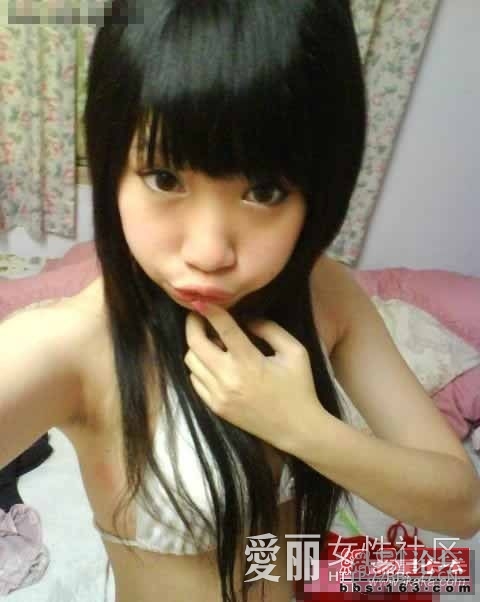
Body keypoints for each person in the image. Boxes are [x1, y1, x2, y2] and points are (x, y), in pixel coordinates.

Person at [1, 1, 479, 601]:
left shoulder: (323, 291)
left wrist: (300, 426)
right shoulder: (69, 345)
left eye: (265, 190)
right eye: (164, 178)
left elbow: (461, 506)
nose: (208, 252)